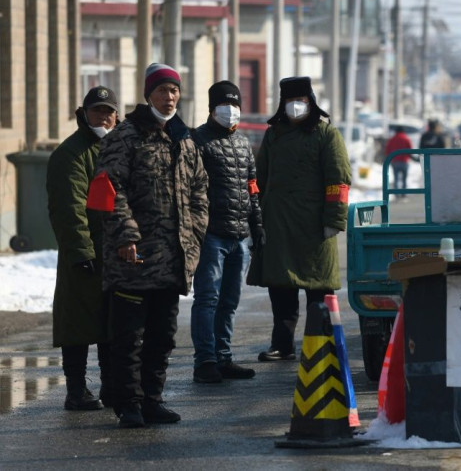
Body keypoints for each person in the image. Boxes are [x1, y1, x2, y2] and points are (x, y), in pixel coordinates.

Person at [88, 63, 209, 428]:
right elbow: (108, 189)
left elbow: (200, 190)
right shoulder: (125, 136)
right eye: (162, 90)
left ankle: (153, 399)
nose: (169, 97)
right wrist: (126, 235)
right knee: (130, 337)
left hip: (172, 259)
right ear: (148, 94)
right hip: (134, 258)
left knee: (163, 335)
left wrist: (196, 234)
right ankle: (129, 404)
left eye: (174, 90)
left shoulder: (183, 139)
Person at [247, 76, 351, 362]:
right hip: (277, 223)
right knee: (281, 289)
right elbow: (260, 178)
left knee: (318, 289)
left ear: (311, 102)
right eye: (291, 101)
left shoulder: (326, 134)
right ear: (283, 103)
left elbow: (338, 180)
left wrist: (334, 219)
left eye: (301, 101)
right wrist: (255, 217)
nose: (296, 107)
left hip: (316, 226)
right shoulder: (273, 134)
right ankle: (282, 344)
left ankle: (322, 346)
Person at [46, 86, 119, 411]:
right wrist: (81, 251)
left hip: (117, 252)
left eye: (108, 111)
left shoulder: (118, 148)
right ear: (84, 114)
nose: (103, 117)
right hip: (86, 253)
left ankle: (110, 387)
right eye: (97, 111)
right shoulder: (71, 153)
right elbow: (69, 208)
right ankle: (76, 390)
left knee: (112, 325)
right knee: (77, 325)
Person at [189, 81, 264, 383]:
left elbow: (252, 188)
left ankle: (224, 356)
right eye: (224, 105)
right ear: (211, 108)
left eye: (234, 105)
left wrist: (257, 224)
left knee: (229, 301)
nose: (230, 110)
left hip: (239, 236)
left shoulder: (244, 144)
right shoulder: (197, 141)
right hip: (211, 235)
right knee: (207, 299)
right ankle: (205, 361)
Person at [384, 125, 416, 197]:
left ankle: (396, 193)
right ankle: (403, 193)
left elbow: (387, 150)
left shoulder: (392, 139)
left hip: (395, 161)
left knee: (396, 178)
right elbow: (410, 150)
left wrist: (390, 159)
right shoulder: (406, 138)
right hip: (404, 161)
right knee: (404, 178)